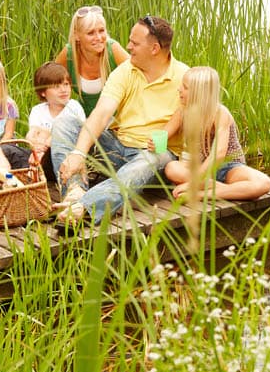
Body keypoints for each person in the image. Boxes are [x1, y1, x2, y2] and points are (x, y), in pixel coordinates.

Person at [52, 15, 188, 225]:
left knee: (153, 158)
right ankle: (74, 190)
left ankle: (83, 207)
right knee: (66, 122)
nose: (127, 46)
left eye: (134, 43)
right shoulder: (125, 71)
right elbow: (102, 113)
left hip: (154, 157)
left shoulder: (185, 77)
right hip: (117, 149)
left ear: (154, 49)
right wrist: (79, 153)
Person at [162, 66, 270, 201]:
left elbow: (218, 154)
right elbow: (164, 133)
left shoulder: (220, 113)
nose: (179, 89)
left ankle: (202, 194)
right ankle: (220, 188)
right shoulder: (183, 111)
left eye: (185, 87)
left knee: (263, 183)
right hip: (202, 168)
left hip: (229, 168)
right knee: (172, 168)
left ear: (199, 92)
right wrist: (156, 140)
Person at [54, 5, 130, 117]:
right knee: (61, 125)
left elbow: (139, 78)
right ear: (77, 36)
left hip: (116, 122)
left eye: (101, 31)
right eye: (91, 33)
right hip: (84, 121)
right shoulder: (69, 54)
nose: (99, 37)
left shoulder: (113, 49)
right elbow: (49, 85)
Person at [24, 61, 85, 184]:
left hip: (66, 156)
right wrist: (36, 145)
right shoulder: (38, 110)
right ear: (43, 92)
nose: (64, 90)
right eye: (57, 86)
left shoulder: (73, 106)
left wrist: (44, 145)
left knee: (51, 135)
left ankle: (37, 172)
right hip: (43, 156)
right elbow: (32, 134)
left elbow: (77, 135)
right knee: (10, 150)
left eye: (66, 84)